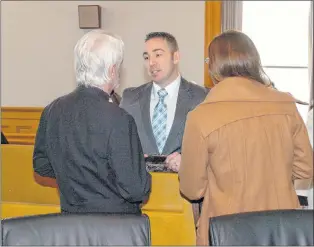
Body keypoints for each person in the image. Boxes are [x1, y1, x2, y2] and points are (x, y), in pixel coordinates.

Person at [179, 30, 313, 245]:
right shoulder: (286, 106)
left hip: (226, 231)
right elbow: (305, 168)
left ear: (214, 65)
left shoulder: (201, 116)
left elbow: (191, 188)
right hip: (280, 231)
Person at [33, 30, 151, 214]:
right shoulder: (119, 118)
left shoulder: (52, 110)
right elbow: (136, 189)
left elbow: (41, 165)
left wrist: (75, 179)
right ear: (112, 70)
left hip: (71, 225)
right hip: (115, 228)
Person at [120, 32, 208, 172]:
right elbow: (119, 147)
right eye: (146, 57)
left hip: (182, 190)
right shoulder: (130, 99)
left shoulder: (201, 97)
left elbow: (213, 151)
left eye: (158, 55)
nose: (151, 62)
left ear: (176, 57)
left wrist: (189, 162)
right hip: (141, 190)